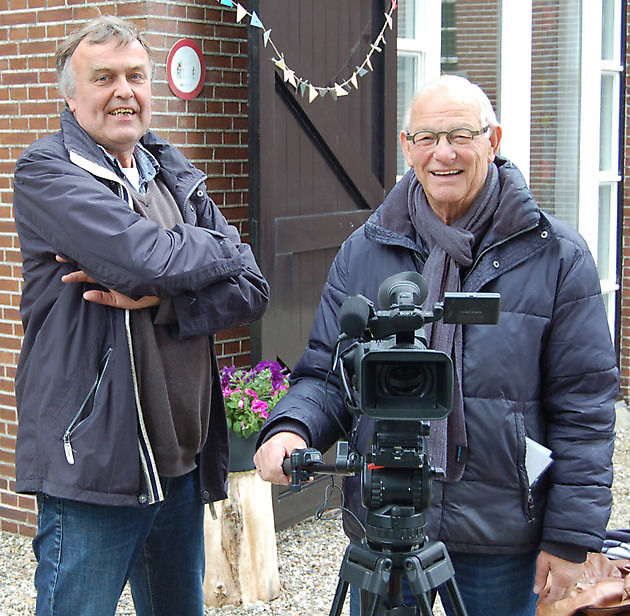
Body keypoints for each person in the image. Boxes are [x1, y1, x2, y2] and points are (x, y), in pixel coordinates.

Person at [254, 74, 618, 616]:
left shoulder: (557, 256)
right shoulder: (365, 250)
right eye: (426, 138)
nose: (442, 153)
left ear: (493, 142)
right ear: (406, 147)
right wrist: (291, 427)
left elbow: (584, 409)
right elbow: (328, 375)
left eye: (460, 135)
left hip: (501, 535)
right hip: (386, 522)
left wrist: (569, 538)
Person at [12, 16, 269, 616]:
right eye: (103, 78)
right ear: (71, 98)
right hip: (96, 469)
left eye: (135, 76)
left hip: (177, 461)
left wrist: (170, 300)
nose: (123, 90)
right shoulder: (48, 173)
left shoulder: (169, 171)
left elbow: (252, 289)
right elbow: (142, 259)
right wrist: (220, 251)